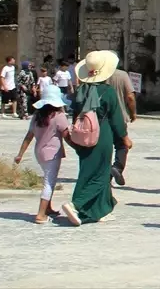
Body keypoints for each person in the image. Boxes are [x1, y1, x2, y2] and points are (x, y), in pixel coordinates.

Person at [59, 50, 131, 227]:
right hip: (102, 134)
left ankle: (100, 209)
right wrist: (123, 137)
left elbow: (75, 114)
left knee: (87, 171)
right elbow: (116, 120)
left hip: (82, 133)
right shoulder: (108, 92)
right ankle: (76, 204)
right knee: (102, 173)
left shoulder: (80, 91)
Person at [14, 85, 70, 224]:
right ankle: (40, 214)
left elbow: (29, 136)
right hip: (52, 154)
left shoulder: (37, 116)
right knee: (49, 183)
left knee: (47, 179)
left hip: (39, 152)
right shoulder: (59, 116)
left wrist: (20, 154)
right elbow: (67, 135)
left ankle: (48, 208)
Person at [108, 65, 137, 186]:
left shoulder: (97, 76)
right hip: (119, 116)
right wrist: (133, 113)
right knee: (122, 145)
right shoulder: (122, 75)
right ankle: (117, 167)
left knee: (104, 147)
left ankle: (105, 176)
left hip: (101, 117)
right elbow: (130, 96)